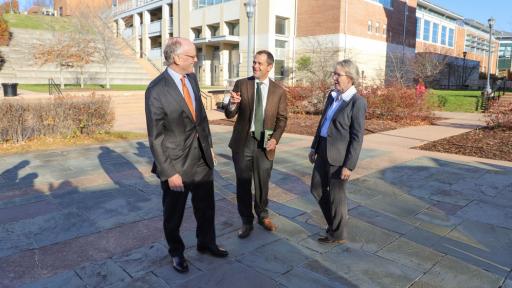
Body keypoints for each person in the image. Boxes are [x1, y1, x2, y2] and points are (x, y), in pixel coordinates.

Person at [145, 37, 228, 274]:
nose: (196, 60)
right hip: (176, 165)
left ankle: (207, 243)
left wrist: (209, 145)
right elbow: (156, 136)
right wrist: (169, 172)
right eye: (192, 56)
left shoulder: (191, 79)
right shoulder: (156, 90)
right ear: (177, 58)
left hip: (201, 159)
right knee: (174, 214)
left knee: (206, 207)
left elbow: (200, 118)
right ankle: (176, 252)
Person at [225, 50, 288, 239]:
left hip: (265, 143)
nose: (255, 66)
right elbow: (230, 114)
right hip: (243, 142)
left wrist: (275, 139)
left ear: (269, 67)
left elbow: (282, 119)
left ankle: (262, 215)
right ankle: (246, 221)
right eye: (254, 62)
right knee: (243, 183)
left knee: (262, 183)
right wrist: (232, 104)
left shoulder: (278, 91)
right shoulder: (242, 84)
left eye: (260, 63)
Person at [308, 59, 367, 244]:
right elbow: (323, 123)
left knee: (336, 196)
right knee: (316, 188)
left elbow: (357, 137)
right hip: (323, 149)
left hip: (339, 157)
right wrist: (314, 146)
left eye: (337, 74)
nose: (334, 77)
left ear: (349, 78)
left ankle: (338, 233)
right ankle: (335, 224)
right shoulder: (332, 96)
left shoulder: (357, 102)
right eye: (334, 74)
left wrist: (349, 165)